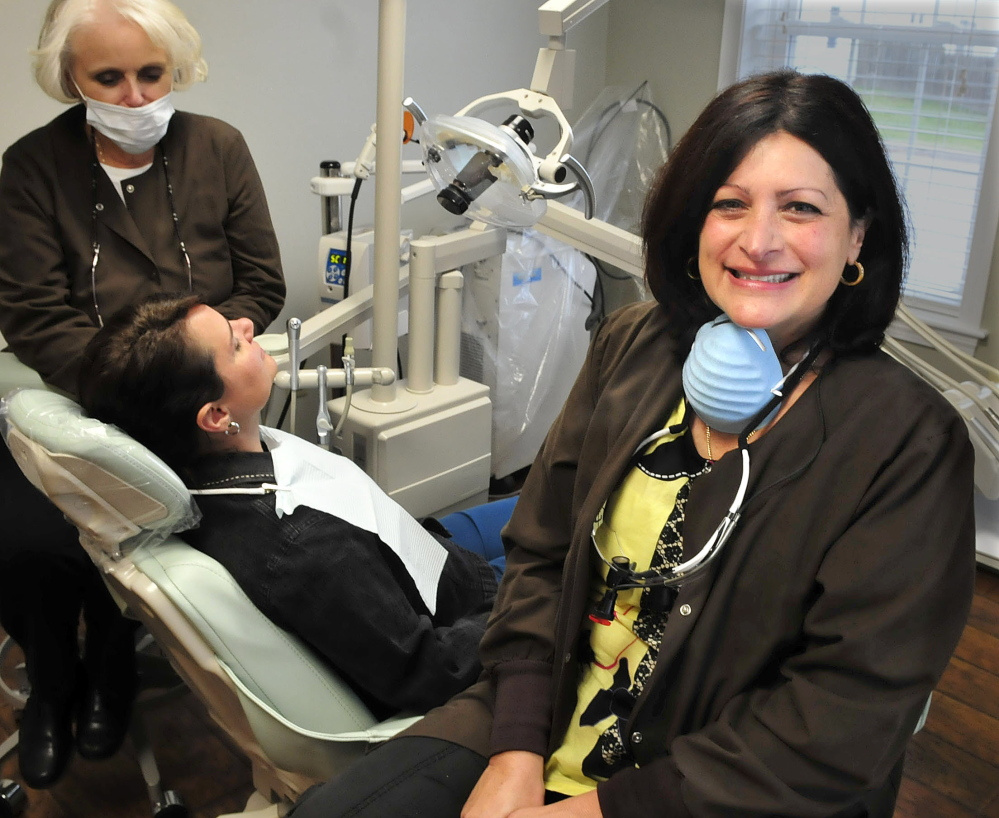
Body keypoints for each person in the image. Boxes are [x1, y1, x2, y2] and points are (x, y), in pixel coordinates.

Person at [283, 70, 978, 818]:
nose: (758, 240)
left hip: (716, 789)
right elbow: (542, 555)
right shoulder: (632, 348)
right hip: (535, 715)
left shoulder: (907, 444)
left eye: (801, 208)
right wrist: (515, 751)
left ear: (858, 237)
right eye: (730, 203)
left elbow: (842, 715)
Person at [0, 0, 285, 789]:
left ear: (176, 68)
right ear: (70, 79)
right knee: (30, 544)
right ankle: (56, 683)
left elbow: (261, 282)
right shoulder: (31, 167)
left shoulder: (218, 149)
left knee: (166, 536)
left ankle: (117, 669)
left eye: (150, 74)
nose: (133, 96)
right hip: (77, 396)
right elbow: (31, 313)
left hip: (195, 402)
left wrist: (201, 368)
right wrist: (116, 391)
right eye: (109, 77)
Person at [76, 293, 500, 720]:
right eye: (234, 344)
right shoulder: (304, 546)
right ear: (217, 416)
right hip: (468, 611)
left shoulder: (219, 466)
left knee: (543, 502)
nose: (246, 324)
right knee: (560, 522)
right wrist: (530, 601)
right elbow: (432, 671)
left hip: (416, 552)